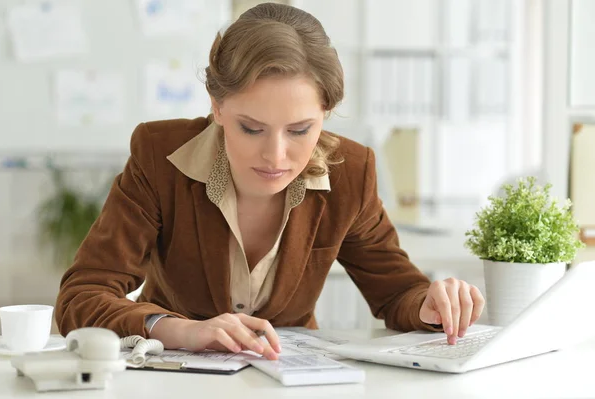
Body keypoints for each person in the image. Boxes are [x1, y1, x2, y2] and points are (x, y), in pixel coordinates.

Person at [55, 2, 485, 361]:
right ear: (217, 107)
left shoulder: (352, 171)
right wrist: (181, 331)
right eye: (251, 128)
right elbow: (81, 297)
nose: (276, 156)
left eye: (300, 130)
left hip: (291, 378)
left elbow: (397, 294)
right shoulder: (160, 155)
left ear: (326, 115)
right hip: (176, 376)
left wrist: (429, 304)